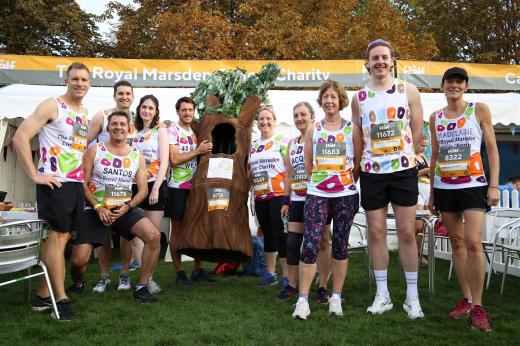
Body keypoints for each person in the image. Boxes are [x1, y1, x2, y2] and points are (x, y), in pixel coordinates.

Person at [351, 39, 425, 319]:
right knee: (377, 233)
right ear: (367, 63)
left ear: (392, 61)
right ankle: (383, 295)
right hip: (372, 172)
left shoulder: (409, 90)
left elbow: (417, 129)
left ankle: (412, 297)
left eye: (384, 57)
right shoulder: (359, 98)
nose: (380, 62)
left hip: (403, 171)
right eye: (375, 58)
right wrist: (357, 168)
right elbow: (358, 137)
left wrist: (412, 154)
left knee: (407, 233)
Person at [13, 62, 91, 320]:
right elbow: (20, 138)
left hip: (74, 183)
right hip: (54, 183)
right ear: (66, 81)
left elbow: (75, 149)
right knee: (58, 238)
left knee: (62, 238)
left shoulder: (83, 112)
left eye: (84, 79)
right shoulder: (52, 105)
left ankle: (42, 295)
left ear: (89, 84)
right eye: (75, 79)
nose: (80, 83)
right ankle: (61, 299)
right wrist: (35, 175)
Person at [429, 67, 499, 332]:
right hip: (445, 186)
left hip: (473, 185)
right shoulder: (435, 117)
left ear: (466, 86)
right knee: (456, 242)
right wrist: (433, 192)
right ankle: (467, 300)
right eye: (450, 82)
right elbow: (434, 155)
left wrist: (493, 185)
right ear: (442, 86)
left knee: (472, 242)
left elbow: (491, 149)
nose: (454, 86)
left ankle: (479, 307)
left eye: (459, 82)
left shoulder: (478, 109)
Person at [69, 111, 161, 304]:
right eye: (114, 124)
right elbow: (82, 184)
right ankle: (78, 283)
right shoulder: (95, 149)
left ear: (129, 128)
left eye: (122, 124)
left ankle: (142, 287)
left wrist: (128, 207)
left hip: (124, 208)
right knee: (78, 261)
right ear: (108, 128)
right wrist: (97, 206)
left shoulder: (137, 156)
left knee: (153, 236)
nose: (118, 127)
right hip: (96, 209)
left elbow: (143, 191)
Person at [292, 80, 360, 319]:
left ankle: (336, 297)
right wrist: (320, 182)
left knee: (340, 245)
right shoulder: (314, 128)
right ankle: (302, 300)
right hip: (317, 194)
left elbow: (358, 162)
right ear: (320, 102)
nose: (329, 101)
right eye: (325, 97)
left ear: (340, 100)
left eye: (333, 96)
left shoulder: (352, 128)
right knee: (310, 244)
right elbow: (308, 163)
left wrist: (344, 182)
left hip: (345, 195)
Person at [69, 80, 136, 295]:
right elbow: (82, 141)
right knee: (104, 234)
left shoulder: (137, 118)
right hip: (100, 184)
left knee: (127, 233)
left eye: (128, 94)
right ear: (114, 95)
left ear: (132, 97)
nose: (124, 97)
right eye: (120, 93)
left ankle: (125, 274)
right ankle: (104, 276)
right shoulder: (102, 115)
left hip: (125, 182)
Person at [279, 102, 332, 303]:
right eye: (296, 115)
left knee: (322, 241)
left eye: (303, 114)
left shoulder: (321, 136)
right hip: (298, 199)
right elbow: (289, 174)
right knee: (293, 242)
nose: (299, 118)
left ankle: (322, 286)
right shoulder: (292, 143)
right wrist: (286, 200)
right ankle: (292, 284)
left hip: (318, 197)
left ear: (312, 117)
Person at [166, 97, 214, 284]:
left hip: (196, 187)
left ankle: (198, 269)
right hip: (177, 187)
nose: (187, 113)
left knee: (198, 226)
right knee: (177, 229)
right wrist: (198, 151)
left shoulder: (195, 131)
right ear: (178, 111)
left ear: (194, 111)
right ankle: (179, 272)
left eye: (190, 110)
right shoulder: (172, 130)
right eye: (184, 110)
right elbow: (174, 159)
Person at [128, 95, 169, 293]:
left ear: (156, 111)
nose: (147, 111)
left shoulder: (160, 130)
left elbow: (165, 161)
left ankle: (148, 279)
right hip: (135, 187)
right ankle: (144, 276)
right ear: (139, 109)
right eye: (144, 107)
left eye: (151, 108)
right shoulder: (133, 132)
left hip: (154, 186)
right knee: (136, 236)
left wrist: (155, 189)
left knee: (152, 236)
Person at [249, 105, 289, 287]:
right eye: (261, 119)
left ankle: (288, 276)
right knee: (267, 235)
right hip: (260, 197)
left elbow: (290, 170)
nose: (264, 122)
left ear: (274, 120)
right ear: (257, 122)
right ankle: (271, 274)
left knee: (281, 235)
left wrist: (288, 198)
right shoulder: (254, 146)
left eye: (268, 118)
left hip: (279, 195)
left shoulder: (282, 141)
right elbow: (251, 171)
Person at [415, 136, 430, 265]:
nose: (424, 148)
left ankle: (419, 253)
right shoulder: (410, 157)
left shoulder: (424, 157)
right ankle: (413, 253)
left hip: (427, 189)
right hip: (417, 191)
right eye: (422, 145)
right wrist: (424, 171)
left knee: (425, 226)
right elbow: (408, 175)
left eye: (426, 146)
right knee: (418, 225)